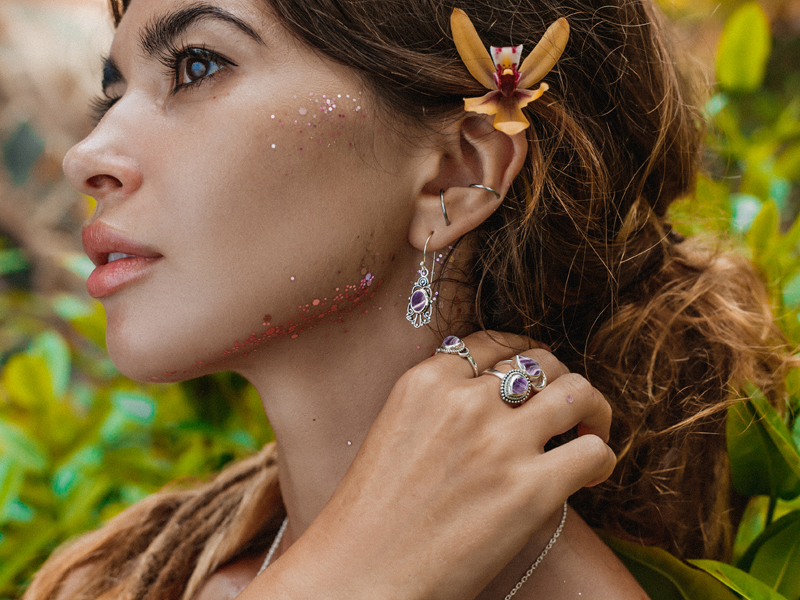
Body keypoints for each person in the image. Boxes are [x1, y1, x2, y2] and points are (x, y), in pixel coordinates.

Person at [24, 0, 790, 598]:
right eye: (113, 92)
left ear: (458, 174)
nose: (87, 155)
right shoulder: (122, 575)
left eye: (196, 66)